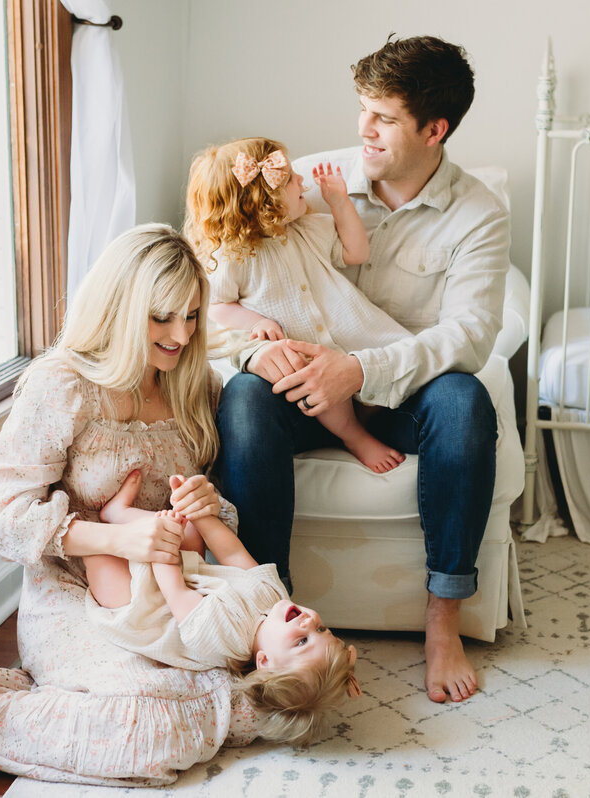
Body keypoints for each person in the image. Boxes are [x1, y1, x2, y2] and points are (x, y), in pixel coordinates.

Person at [214, 35, 509, 704]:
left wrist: (360, 368)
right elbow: (219, 279)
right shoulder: (305, 182)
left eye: (382, 116)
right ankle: (268, 611)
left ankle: (443, 619)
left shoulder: (480, 216)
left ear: (434, 130)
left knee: (466, 400)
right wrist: (258, 351)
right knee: (242, 396)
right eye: (361, 108)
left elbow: (470, 336)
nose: (362, 128)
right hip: (300, 392)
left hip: (403, 400)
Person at [0, 225, 265, 785]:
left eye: (191, 315)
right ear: (119, 305)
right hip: (72, 591)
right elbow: (3, 520)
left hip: (170, 590)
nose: (181, 334)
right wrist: (115, 539)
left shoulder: (196, 385)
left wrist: (209, 504)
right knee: (148, 725)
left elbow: (210, 516)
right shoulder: (62, 385)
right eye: (162, 316)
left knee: (249, 693)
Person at [84, 469, 360, 747]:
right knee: (189, 530)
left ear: (264, 662)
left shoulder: (224, 636)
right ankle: (119, 513)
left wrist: (163, 543)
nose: (309, 622)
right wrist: (199, 515)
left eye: (302, 641)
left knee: (99, 555)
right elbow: (232, 554)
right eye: (322, 629)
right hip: (191, 576)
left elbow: (174, 592)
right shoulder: (276, 598)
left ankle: (111, 521)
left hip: (144, 607)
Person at [186, 137, 407, 474]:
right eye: (290, 179)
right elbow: (216, 305)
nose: (302, 180)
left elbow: (356, 252)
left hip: (350, 341)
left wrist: (340, 203)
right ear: (264, 199)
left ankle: (368, 413)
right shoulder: (233, 255)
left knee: (392, 365)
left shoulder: (308, 227)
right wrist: (252, 320)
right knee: (307, 376)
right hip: (302, 352)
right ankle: (353, 435)